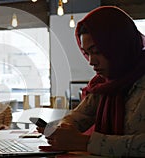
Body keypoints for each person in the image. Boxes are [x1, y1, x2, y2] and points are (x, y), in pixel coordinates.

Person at [38, 6, 145, 157]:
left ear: (119, 45)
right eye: (87, 53)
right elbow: (80, 116)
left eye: (97, 51)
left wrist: (83, 142)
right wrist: (63, 130)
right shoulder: (105, 85)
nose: (91, 61)